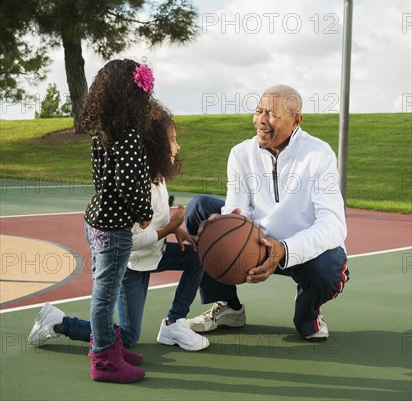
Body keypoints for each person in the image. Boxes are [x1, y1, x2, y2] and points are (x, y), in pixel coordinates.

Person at [28, 101, 208, 371]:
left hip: (153, 254)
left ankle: (174, 323)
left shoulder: (157, 174)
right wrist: (169, 229)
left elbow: (155, 218)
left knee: (196, 257)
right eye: (173, 140)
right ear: (156, 145)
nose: (177, 146)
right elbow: (130, 243)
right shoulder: (140, 184)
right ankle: (58, 322)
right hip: (131, 264)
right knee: (129, 337)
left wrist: (177, 230)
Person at [185, 85, 349, 342]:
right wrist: (226, 223)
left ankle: (308, 314)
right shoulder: (241, 153)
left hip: (299, 252)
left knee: (330, 267)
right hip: (257, 243)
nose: (261, 120)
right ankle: (229, 307)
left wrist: (284, 248)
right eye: (258, 111)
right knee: (200, 211)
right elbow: (236, 208)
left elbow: (334, 225)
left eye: (271, 114)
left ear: (296, 120)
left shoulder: (319, 154)